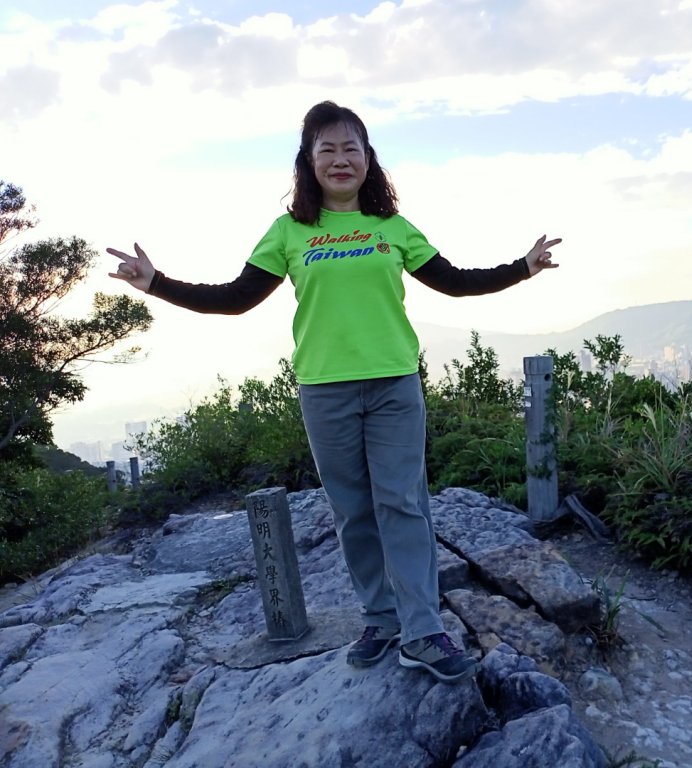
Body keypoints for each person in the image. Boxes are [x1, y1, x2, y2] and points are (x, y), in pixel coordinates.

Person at [108, 101, 560, 684]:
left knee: (403, 504)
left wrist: (521, 268)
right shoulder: (290, 232)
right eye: (328, 149)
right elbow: (236, 297)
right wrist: (157, 284)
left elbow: (452, 281)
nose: (341, 159)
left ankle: (422, 629)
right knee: (352, 512)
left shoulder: (392, 229)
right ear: (309, 162)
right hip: (324, 391)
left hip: (394, 383)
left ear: (370, 159)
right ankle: (380, 618)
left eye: (352, 148)